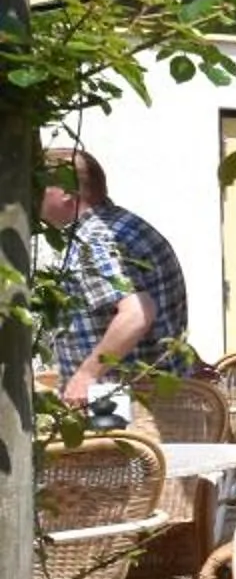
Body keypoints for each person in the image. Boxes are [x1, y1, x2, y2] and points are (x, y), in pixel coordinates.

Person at [39, 146, 192, 410]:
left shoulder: (92, 241)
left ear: (66, 192)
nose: (31, 195)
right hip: (158, 399)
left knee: (121, 454)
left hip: (118, 402)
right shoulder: (124, 225)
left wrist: (86, 376)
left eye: (39, 186)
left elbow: (136, 314)